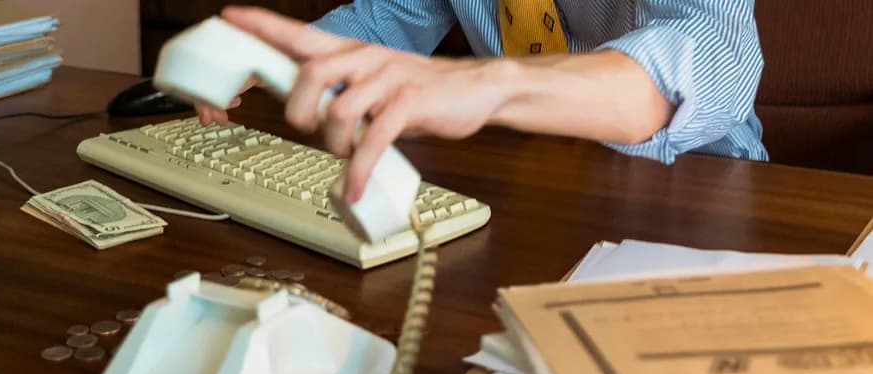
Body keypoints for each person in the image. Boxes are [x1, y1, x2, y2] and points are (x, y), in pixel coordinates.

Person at [196, 1, 765, 204]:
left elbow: (715, 49)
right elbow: (389, 18)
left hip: (695, 188)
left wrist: (489, 82)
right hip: (534, 188)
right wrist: (274, 57)